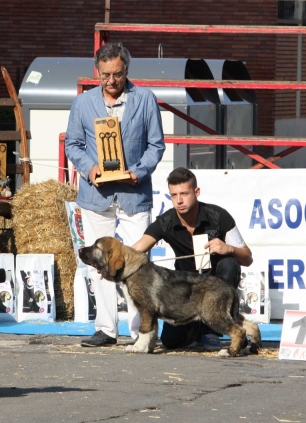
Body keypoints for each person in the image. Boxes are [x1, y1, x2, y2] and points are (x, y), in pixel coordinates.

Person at [65, 42, 165, 347]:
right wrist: (88, 169)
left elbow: (156, 145)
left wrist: (140, 170)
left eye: (118, 74)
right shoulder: (82, 104)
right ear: (98, 71)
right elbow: (73, 145)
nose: (112, 80)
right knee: (99, 264)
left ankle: (141, 331)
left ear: (127, 70)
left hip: (134, 194)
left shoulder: (145, 99)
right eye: (106, 74)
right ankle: (106, 329)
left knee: (138, 263)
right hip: (97, 196)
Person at [132, 167, 253, 351]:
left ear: (196, 192)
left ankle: (211, 331)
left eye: (184, 193)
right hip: (185, 291)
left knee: (230, 263)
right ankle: (197, 328)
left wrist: (228, 248)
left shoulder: (219, 216)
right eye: (174, 195)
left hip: (215, 288)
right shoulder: (165, 222)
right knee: (170, 342)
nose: (179, 200)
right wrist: (112, 263)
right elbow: (136, 250)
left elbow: (247, 257)